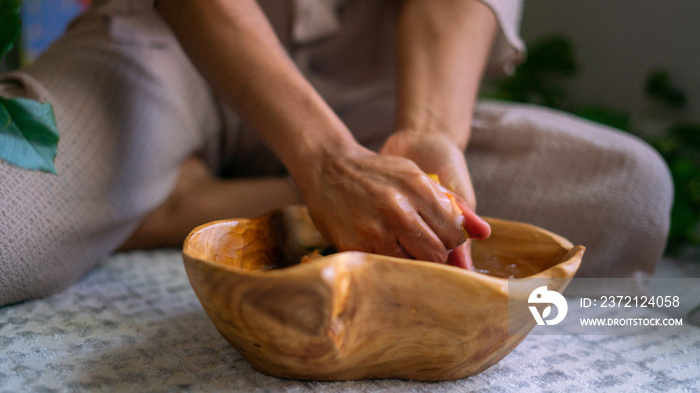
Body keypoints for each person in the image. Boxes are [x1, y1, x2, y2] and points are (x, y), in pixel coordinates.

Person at [0, 0, 672, 306]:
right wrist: (323, 159)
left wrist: (430, 133)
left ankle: (194, 203)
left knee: (628, 194)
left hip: (377, 68)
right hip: (175, 44)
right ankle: (297, 184)